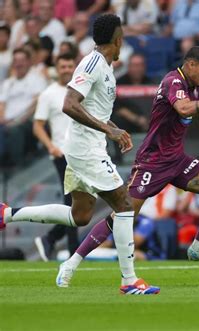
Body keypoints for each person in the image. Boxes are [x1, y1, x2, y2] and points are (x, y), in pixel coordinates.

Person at [51, 46, 199, 288]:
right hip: (152, 162)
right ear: (191, 64)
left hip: (178, 160)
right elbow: (184, 109)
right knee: (122, 215)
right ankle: (72, 262)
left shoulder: (194, 88)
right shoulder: (173, 81)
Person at [0, 14, 160, 294]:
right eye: (122, 36)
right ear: (117, 38)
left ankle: (7, 213)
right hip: (85, 148)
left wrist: (113, 128)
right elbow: (69, 104)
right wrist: (106, 131)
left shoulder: (107, 68)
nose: (123, 41)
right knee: (124, 205)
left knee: (80, 215)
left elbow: (94, 110)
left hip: (86, 146)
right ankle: (129, 281)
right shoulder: (92, 63)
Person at [33, 53, 79, 261]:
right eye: (63, 66)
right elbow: (38, 125)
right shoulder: (49, 94)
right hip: (62, 154)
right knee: (71, 203)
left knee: (80, 203)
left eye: (70, 65)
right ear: (57, 69)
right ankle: (73, 253)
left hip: (81, 153)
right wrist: (51, 146)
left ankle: (50, 238)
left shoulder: (80, 90)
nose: (67, 69)